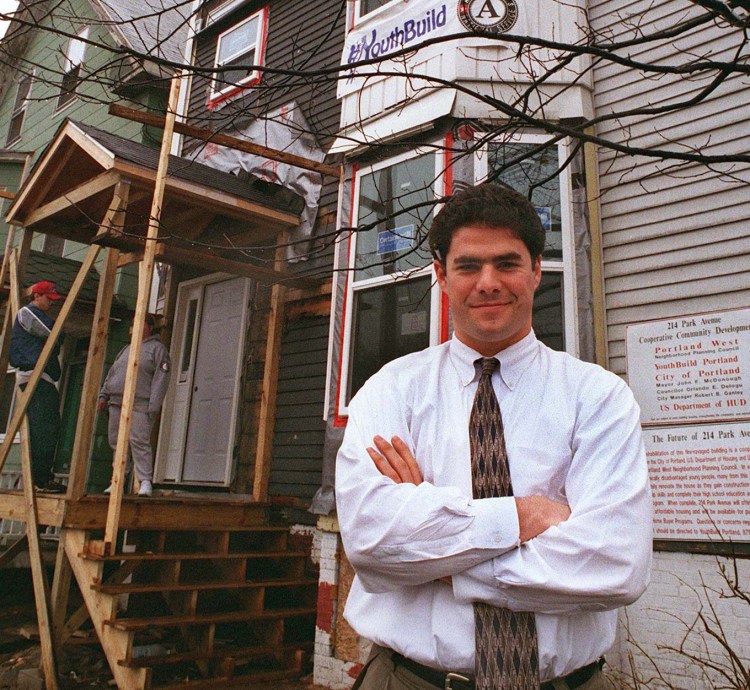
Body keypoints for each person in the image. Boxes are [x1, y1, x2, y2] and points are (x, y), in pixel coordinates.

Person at [336, 184, 653, 690]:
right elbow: (373, 543)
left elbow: (616, 564)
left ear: (535, 271)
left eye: (507, 263)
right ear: (441, 274)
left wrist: (437, 557)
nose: (488, 283)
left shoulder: (598, 397)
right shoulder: (390, 390)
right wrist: (523, 516)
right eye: (467, 266)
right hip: (411, 680)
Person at [97, 314, 170, 497]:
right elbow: (113, 373)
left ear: (150, 327)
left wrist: (154, 405)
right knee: (118, 443)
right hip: (116, 402)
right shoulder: (126, 349)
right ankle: (117, 481)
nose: (134, 328)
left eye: (140, 324)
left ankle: (145, 481)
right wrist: (103, 394)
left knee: (139, 441)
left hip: (140, 403)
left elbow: (162, 378)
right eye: (132, 325)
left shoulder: (157, 349)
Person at [9, 280, 66, 493]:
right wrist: (58, 335)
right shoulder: (27, 313)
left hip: (40, 377)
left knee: (46, 427)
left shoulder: (37, 315)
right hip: (35, 376)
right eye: (48, 299)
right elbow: (53, 333)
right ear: (37, 296)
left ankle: (38, 476)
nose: (50, 303)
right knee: (45, 428)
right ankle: (41, 479)